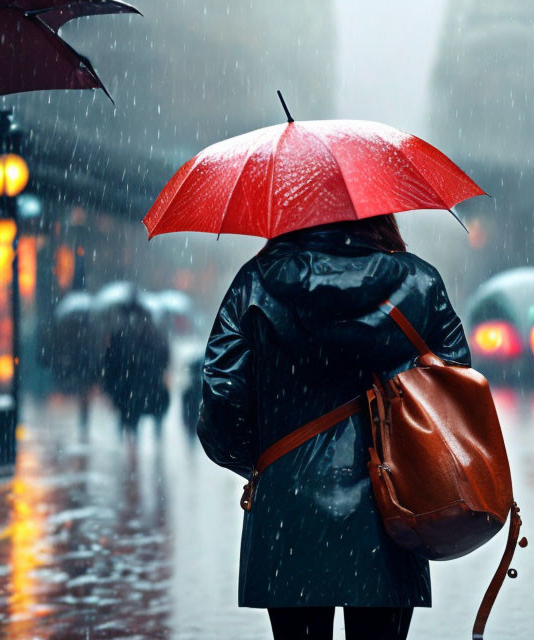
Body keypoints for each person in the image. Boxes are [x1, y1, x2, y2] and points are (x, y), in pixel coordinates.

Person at [197, 215, 470, 640]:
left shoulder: (255, 284)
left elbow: (221, 399)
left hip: (289, 510)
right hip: (392, 505)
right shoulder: (420, 283)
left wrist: (265, 464)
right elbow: (453, 387)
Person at [103, 303, 170, 436]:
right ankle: (154, 433)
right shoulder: (153, 332)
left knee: (131, 410)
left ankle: (129, 436)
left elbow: (111, 358)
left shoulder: (121, 332)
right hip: (148, 379)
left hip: (130, 380)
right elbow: (164, 355)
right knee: (147, 406)